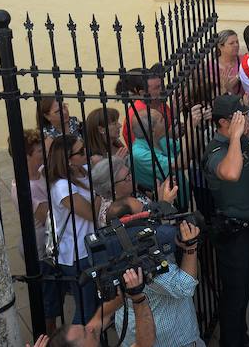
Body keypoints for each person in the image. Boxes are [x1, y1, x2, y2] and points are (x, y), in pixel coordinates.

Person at [202, 95, 249, 347]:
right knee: (235, 294)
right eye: (238, 117)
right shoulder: (217, 151)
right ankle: (232, 342)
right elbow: (231, 172)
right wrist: (238, 137)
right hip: (235, 234)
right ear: (222, 123)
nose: (244, 121)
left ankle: (241, 337)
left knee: (245, 288)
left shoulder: (239, 140)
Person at [112, 203, 203, 347]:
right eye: (143, 213)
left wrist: (164, 204)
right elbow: (185, 286)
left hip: (134, 335)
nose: (147, 213)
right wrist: (191, 248)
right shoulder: (142, 262)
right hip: (173, 341)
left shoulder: (117, 250)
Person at [10, 128, 61, 334]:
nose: (44, 154)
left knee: (54, 292)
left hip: (48, 241)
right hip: (39, 247)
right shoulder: (22, 188)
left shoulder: (39, 173)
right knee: (49, 300)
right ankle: (47, 336)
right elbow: (45, 215)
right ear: (27, 155)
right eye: (40, 151)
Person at [45, 135, 100, 324]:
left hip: (90, 245)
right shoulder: (62, 187)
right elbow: (91, 213)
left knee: (94, 303)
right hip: (77, 254)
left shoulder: (82, 170)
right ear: (68, 160)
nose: (86, 153)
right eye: (81, 151)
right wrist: (102, 187)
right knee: (86, 309)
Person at [41, 268, 155, 347]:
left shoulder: (88, 334)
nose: (90, 328)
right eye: (86, 333)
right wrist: (138, 298)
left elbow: (103, 315)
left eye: (84, 327)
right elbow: (144, 344)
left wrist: (122, 290)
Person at [216, 29, 243, 96]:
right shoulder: (211, 66)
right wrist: (238, 76)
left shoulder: (244, 60)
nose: (236, 45)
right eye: (231, 43)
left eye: (237, 42)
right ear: (220, 46)